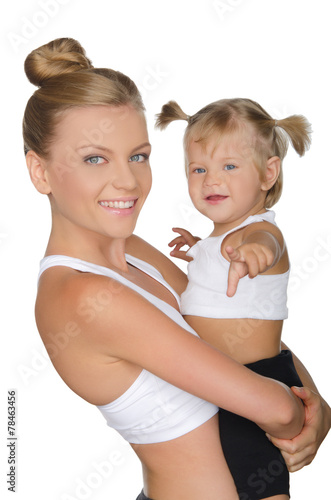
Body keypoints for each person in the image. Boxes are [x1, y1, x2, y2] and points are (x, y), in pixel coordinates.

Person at [23, 38, 329, 500]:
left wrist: (316, 405)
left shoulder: (134, 251)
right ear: (40, 171)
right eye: (94, 158)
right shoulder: (81, 297)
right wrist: (304, 408)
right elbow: (274, 408)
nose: (127, 180)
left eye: (139, 156)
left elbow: (232, 329)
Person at [156, 98, 327, 498]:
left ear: (268, 173)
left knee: (259, 475)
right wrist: (200, 248)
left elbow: (264, 243)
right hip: (220, 382)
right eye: (198, 169)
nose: (211, 180)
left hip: (257, 377)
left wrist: (255, 254)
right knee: (224, 471)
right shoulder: (220, 238)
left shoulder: (261, 231)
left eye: (229, 166)